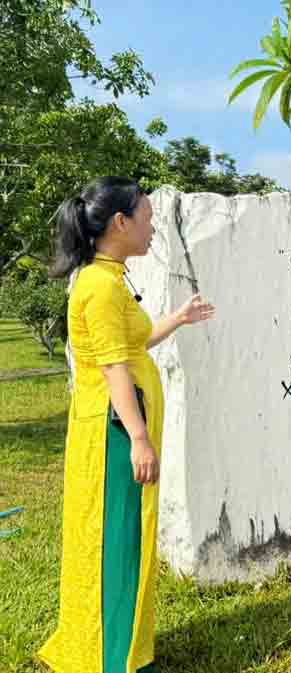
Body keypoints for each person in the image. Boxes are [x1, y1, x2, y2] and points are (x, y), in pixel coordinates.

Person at [38, 177, 216, 673]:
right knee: (115, 542)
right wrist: (139, 439)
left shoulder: (111, 279)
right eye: (147, 216)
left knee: (128, 539)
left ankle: (124, 650)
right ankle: (109, 658)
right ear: (120, 222)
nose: (152, 226)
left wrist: (178, 318)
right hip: (114, 437)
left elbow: (133, 346)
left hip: (121, 431)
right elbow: (114, 368)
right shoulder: (98, 286)